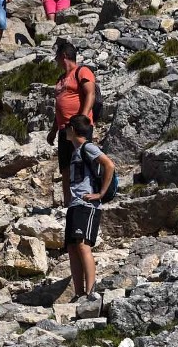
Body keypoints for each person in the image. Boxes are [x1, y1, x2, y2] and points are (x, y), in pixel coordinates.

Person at [64, 114, 114, 302]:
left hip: (88, 204)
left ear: (74, 130)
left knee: (83, 245)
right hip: (76, 204)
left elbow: (109, 164)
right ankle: (78, 293)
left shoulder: (88, 147)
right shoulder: (75, 151)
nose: (66, 130)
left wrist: (100, 193)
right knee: (72, 247)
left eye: (69, 127)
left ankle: (90, 291)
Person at [47, 42, 96, 206]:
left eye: (57, 57)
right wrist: (53, 131)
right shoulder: (60, 79)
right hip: (64, 129)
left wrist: (82, 119)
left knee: (81, 163)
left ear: (63, 56)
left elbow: (90, 93)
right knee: (65, 167)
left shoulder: (82, 71)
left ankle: (84, 198)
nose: (56, 61)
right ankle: (68, 202)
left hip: (79, 127)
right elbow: (58, 107)